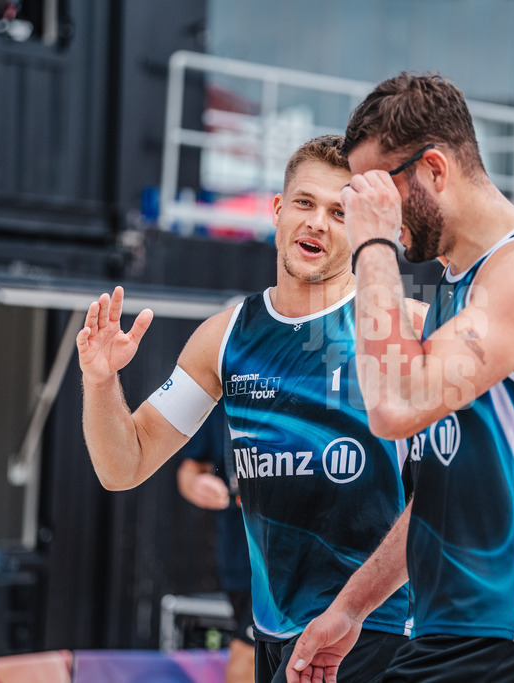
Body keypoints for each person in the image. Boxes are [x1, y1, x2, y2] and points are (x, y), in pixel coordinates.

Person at [288, 73, 514, 682]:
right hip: (463, 632)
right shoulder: (460, 284)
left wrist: (373, 242)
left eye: (376, 189)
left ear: (432, 168)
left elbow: (395, 406)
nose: (364, 210)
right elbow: (441, 491)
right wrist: (351, 608)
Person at [77, 135, 424, 683]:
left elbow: (460, 493)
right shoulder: (225, 337)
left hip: (379, 633)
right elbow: (125, 465)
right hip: (275, 633)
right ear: (278, 210)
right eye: (306, 203)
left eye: (339, 212)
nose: (318, 223)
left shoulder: (400, 327)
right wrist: (100, 382)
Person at [176, 401, 255, 683]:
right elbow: (189, 469)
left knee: (247, 660)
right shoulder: (221, 394)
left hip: (295, 559)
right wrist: (197, 485)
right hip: (239, 561)